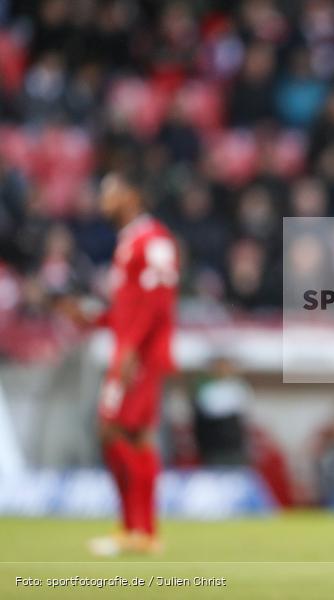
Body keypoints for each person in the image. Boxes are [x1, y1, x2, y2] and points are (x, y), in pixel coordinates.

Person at [60, 172, 179, 556]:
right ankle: (137, 530)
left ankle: (141, 530)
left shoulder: (154, 240)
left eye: (110, 193)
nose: (102, 200)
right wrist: (93, 318)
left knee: (115, 430)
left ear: (132, 195)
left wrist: (131, 349)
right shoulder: (130, 242)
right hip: (129, 350)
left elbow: (158, 302)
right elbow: (129, 309)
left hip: (138, 355)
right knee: (127, 434)